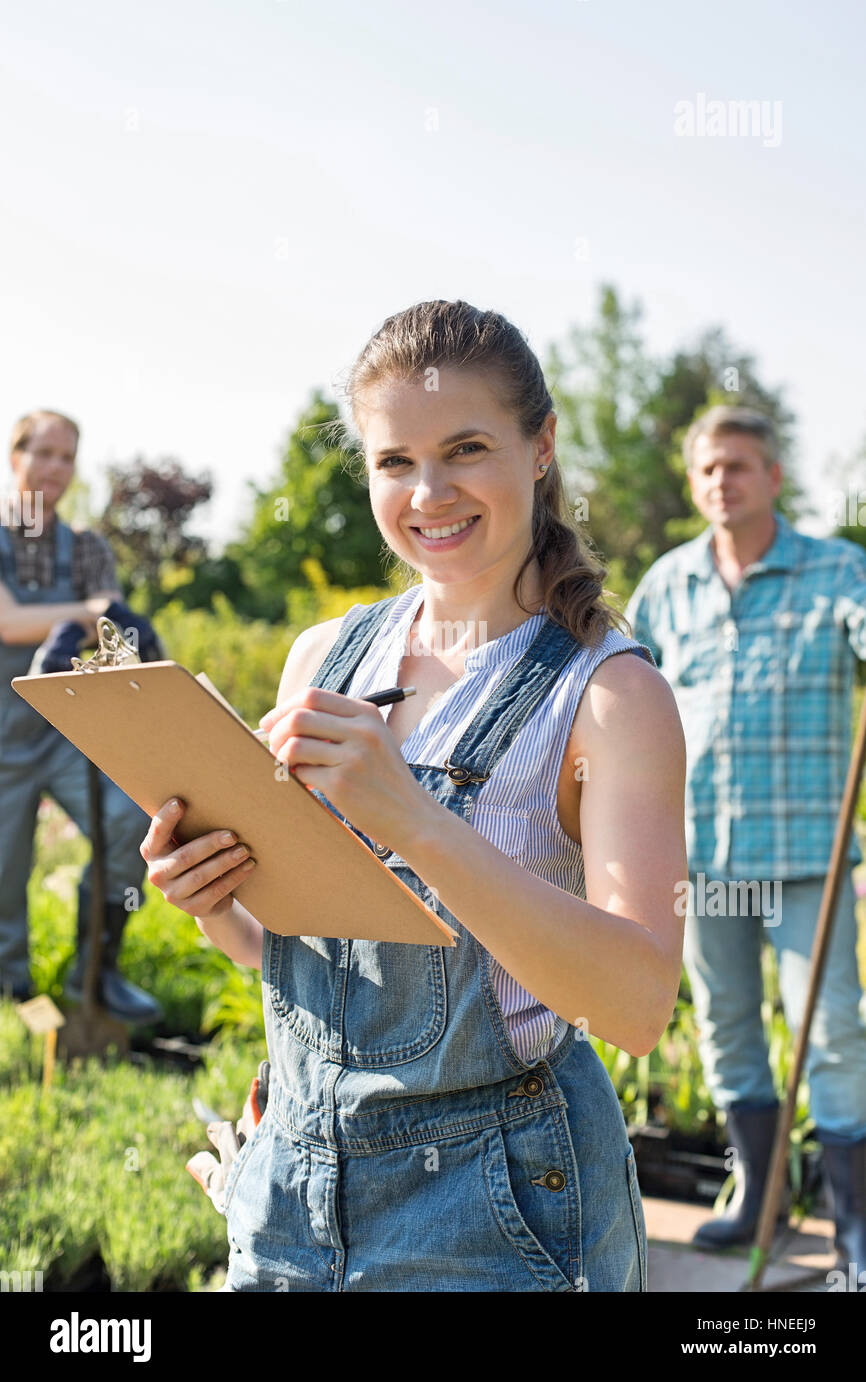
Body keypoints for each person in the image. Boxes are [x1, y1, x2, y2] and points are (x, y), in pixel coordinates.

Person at [140, 300, 687, 1292]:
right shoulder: (324, 658)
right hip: (295, 1187)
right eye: (394, 461)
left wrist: (417, 821)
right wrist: (213, 894)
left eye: (465, 447)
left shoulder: (608, 695)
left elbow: (637, 1002)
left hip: (495, 1206)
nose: (427, 492)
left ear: (540, 446)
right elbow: (301, 961)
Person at [627, 405, 866, 1277]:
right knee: (728, 1026)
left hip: (809, 857)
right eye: (706, 469)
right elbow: (632, 699)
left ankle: (855, 1227)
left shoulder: (840, 573)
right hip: (704, 859)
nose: (720, 481)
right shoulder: (669, 584)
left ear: (773, 478)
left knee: (831, 1028)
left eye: (738, 466)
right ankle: (755, 1196)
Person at [0, 409, 162, 1022]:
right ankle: (11, 993)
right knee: (4, 871)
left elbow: (114, 636)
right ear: (14, 457)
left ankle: (95, 973)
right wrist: (91, 608)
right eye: (42, 453)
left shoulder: (87, 548)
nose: (54, 469)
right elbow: (9, 621)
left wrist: (111, 621)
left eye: (67, 457)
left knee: (130, 824)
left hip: (65, 733)